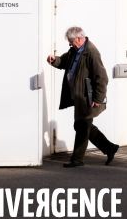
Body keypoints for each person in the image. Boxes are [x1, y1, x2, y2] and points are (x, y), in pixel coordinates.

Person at [47, 26, 119, 168]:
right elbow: (64, 62)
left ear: (79, 39)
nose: (70, 44)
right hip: (79, 96)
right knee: (82, 125)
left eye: (71, 41)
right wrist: (54, 60)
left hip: (88, 97)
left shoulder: (91, 52)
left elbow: (101, 77)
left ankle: (77, 159)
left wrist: (98, 98)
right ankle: (109, 147)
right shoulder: (75, 50)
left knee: (82, 127)